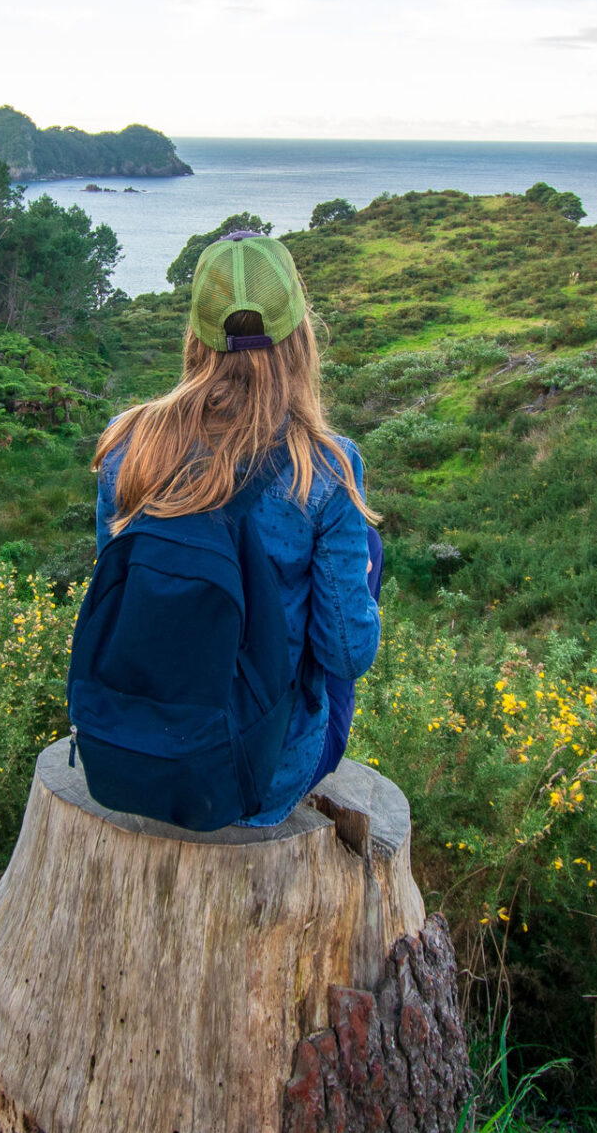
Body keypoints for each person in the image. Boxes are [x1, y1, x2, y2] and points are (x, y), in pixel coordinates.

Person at [89, 228, 383, 828]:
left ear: (194, 334)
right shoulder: (326, 466)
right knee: (366, 550)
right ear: (300, 334)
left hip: (133, 752)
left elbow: (112, 594)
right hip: (261, 779)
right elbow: (346, 656)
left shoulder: (127, 442)